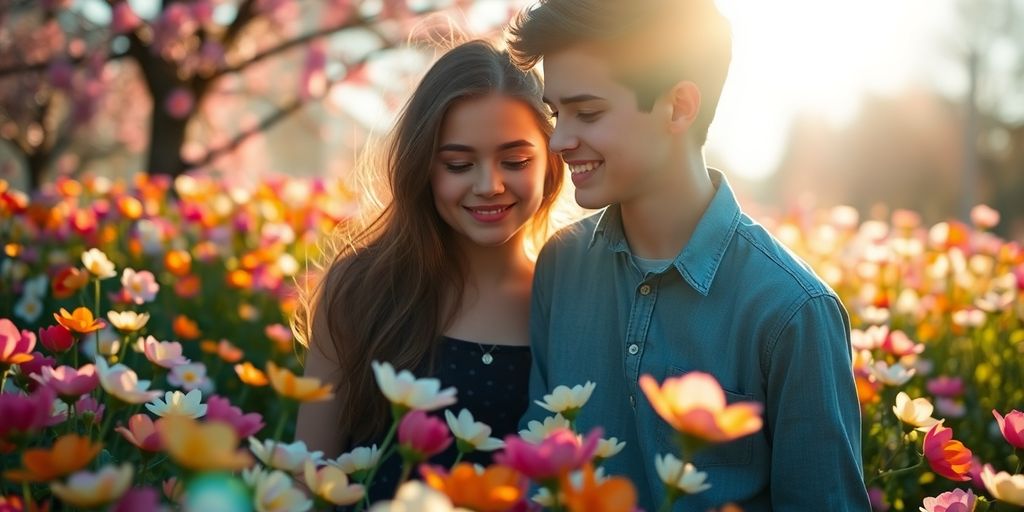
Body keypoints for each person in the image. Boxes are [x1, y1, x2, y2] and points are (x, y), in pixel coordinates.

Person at [506, 0, 870, 510]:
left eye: (587, 113)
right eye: (556, 113)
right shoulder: (561, 267)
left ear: (679, 106)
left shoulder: (793, 311)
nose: (561, 140)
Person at [293, 39, 565, 503]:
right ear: (423, 167)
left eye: (515, 161)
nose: (489, 185)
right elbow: (305, 476)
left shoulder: (570, 300)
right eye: (458, 164)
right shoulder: (363, 289)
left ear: (552, 161)